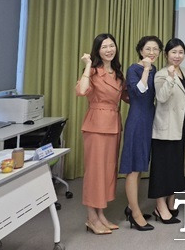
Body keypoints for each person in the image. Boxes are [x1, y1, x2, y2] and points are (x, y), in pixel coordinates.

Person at [75, 33, 125, 235]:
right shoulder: (93, 71)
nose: (109, 50)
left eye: (111, 46)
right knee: (95, 172)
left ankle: (101, 214)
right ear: (97, 50)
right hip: (96, 125)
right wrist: (88, 65)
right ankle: (91, 217)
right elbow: (81, 91)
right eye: (104, 47)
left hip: (113, 123)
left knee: (107, 171)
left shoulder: (117, 72)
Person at [148, 38, 185, 224]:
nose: (177, 55)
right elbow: (162, 97)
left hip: (180, 126)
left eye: (181, 52)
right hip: (165, 128)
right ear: (166, 54)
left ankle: (171, 200)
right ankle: (160, 207)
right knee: (162, 168)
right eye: (174, 52)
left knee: (175, 166)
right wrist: (169, 77)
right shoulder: (160, 74)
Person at [120, 36, 162, 231]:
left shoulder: (154, 70)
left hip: (149, 119)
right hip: (137, 120)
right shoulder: (135, 69)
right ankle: (135, 215)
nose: (151, 52)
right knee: (133, 168)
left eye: (155, 49)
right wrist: (145, 70)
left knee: (140, 166)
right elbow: (138, 93)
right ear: (140, 50)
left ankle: (131, 207)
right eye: (148, 49)